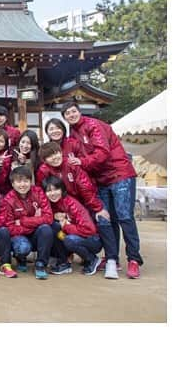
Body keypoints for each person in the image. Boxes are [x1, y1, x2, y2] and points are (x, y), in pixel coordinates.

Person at [62, 100, 143, 279]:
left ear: (79, 111)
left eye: (73, 111)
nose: (71, 115)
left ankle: (134, 259)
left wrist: (82, 162)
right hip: (101, 179)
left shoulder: (93, 125)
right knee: (106, 219)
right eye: (67, 113)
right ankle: (112, 257)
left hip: (119, 174)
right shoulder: (73, 133)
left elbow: (102, 152)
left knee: (124, 217)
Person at [0, 165, 54, 279]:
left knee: (46, 229)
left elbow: (48, 217)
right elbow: (10, 227)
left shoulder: (38, 192)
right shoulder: (8, 200)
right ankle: (20, 258)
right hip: (18, 235)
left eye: (25, 181)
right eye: (19, 181)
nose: (22, 184)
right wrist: (36, 221)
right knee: (23, 247)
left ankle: (40, 264)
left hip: (35, 233)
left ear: (31, 181)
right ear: (13, 184)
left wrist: (24, 221)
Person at [43, 176, 103, 277]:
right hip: (74, 235)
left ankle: (92, 259)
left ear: (62, 189)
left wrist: (66, 226)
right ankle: (64, 262)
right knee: (54, 229)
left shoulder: (72, 204)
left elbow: (89, 230)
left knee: (69, 239)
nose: (53, 193)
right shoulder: (52, 204)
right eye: (49, 191)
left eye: (56, 189)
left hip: (92, 239)